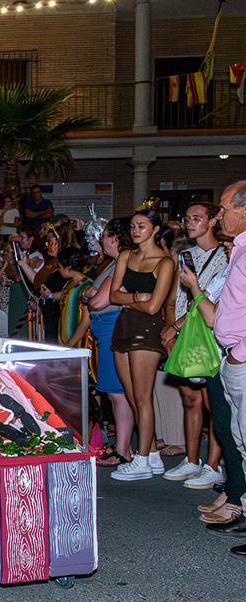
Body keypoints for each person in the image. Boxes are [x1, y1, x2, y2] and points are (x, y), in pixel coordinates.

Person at [159, 201, 228, 488]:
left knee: (214, 403)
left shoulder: (227, 255)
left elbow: (208, 298)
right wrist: (170, 328)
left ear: (213, 221)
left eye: (197, 218)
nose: (190, 222)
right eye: (187, 218)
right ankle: (191, 459)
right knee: (190, 398)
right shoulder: (184, 254)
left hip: (207, 332)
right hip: (181, 330)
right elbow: (175, 296)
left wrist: (175, 327)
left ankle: (212, 465)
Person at [108, 206, 176, 481]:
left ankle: (143, 458)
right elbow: (113, 296)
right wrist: (138, 296)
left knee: (143, 396)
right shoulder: (125, 255)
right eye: (133, 226)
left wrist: (132, 297)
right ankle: (153, 455)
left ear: (156, 229)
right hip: (123, 325)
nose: (136, 231)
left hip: (147, 330)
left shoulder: (165, 262)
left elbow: (154, 307)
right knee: (132, 395)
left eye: (142, 226)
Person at [209, 180, 246, 548]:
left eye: (224, 208)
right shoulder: (239, 249)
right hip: (234, 358)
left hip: (243, 358)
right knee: (241, 439)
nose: (220, 215)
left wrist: (240, 352)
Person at [85, 218, 137, 468]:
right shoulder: (113, 263)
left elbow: (96, 302)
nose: (101, 239)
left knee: (117, 394)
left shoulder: (121, 264)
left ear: (115, 239)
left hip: (112, 330)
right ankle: (122, 447)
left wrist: (91, 295)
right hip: (105, 331)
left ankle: (123, 450)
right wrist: (90, 294)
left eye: (104, 235)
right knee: (114, 391)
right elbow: (90, 294)